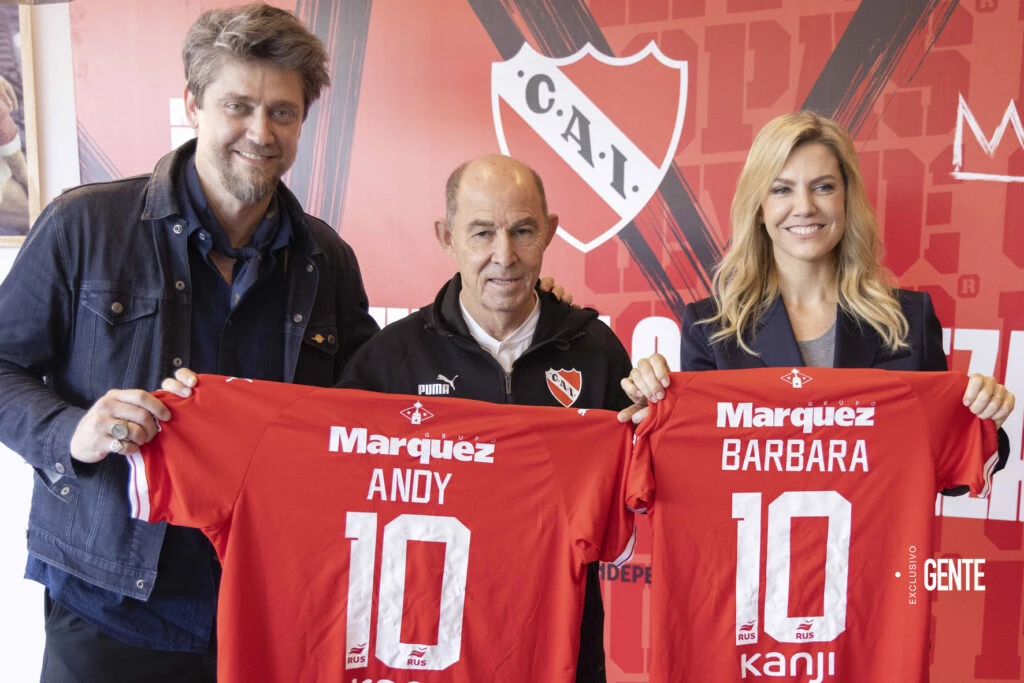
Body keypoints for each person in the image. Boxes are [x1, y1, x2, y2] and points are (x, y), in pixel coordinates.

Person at [0, 5, 380, 681]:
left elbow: (374, 404)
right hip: (108, 606)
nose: (260, 133)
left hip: (268, 610)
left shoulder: (328, 258)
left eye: (283, 113)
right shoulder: (82, 225)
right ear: (192, 104)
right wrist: (71, 432)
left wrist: (514, 299)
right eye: (238, 105)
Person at [168, 153, 633, 682]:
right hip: (426, 658)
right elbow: (311, 483)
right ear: (446, 236)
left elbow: (640, 498)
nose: (503, 255)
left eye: (523, 230)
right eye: (481, 233)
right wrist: (201, 417)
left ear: (549, 233)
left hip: (557, 652)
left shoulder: (597, 352)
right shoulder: (389, 360)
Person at [619, 111, 1014, 436]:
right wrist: (654, 419)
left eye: (823, 187)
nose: (804, 207)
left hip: (874, 534)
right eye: (781, 189)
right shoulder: (710, 329)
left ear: (847, 198)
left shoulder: (908, 320)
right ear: (758, 207)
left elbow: (947, 469)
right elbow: (697, 465)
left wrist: (983, 420)